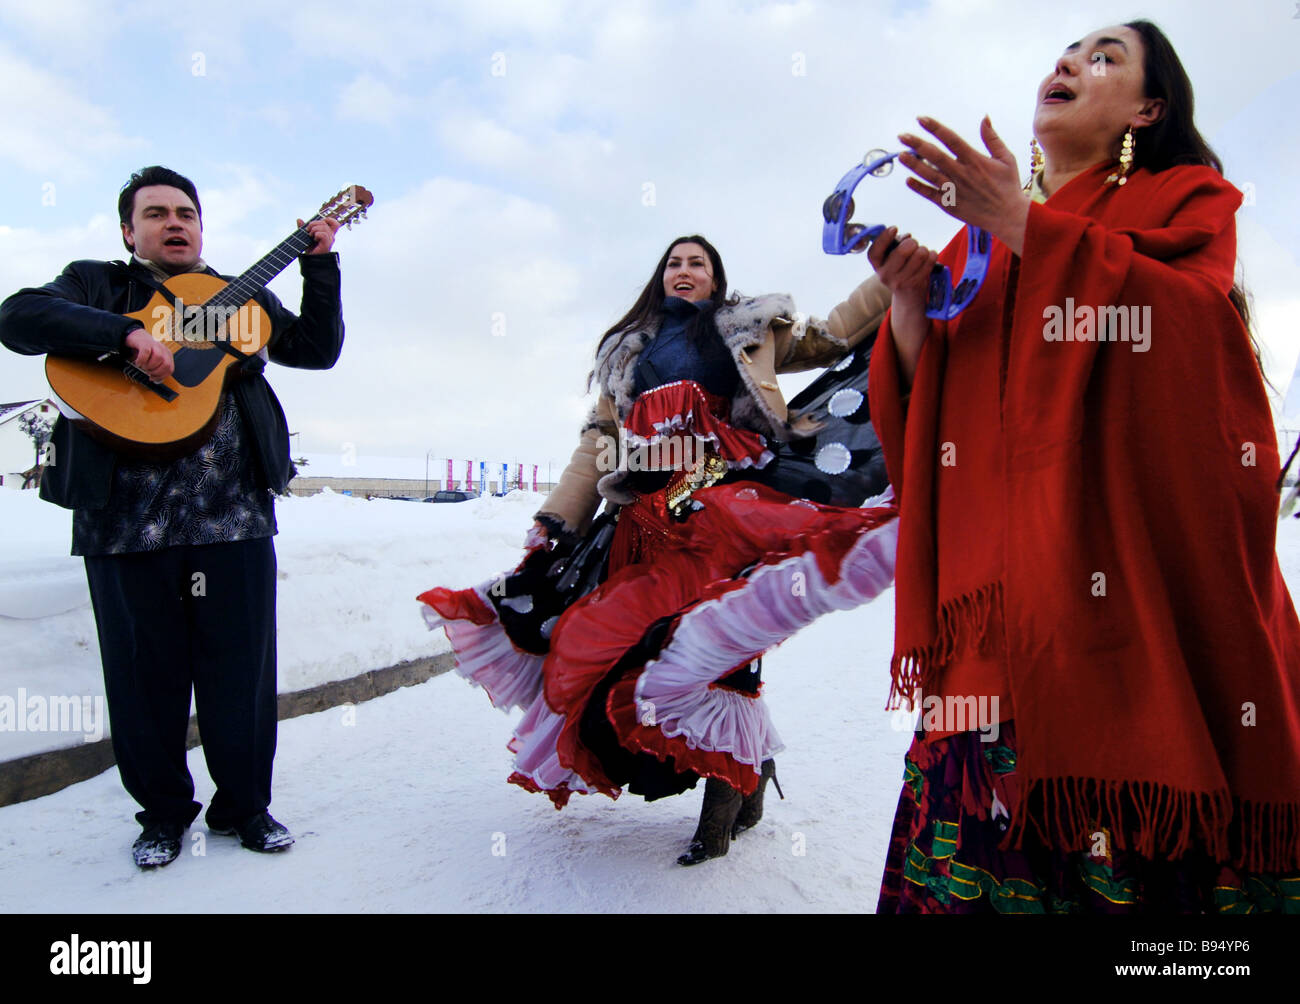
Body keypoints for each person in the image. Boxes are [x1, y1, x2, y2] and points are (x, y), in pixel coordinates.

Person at [865, 21, 1300, 912]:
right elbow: (925, 429)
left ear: (1148, 109)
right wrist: (911, 307)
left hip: (1117, 609)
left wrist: (1025, 223)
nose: (1068, 63)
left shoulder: (1188, 198)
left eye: (1104, 57)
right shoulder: (972, 249)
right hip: (986, 635)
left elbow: (1189, 333)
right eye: (1066, 50)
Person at [420, 236, 898, 864]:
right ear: (660, 276)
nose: (684, 271)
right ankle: (745, 769)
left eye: (697, 263)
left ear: (716, 278)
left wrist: (892, 279)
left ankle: (726, 800)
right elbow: (597, 447)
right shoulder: (627, 354)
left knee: (724, 653)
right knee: (641, 656)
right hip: (641, 522)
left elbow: (835, 336)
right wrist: (555, 523)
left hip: (724, 511)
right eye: (674, 262)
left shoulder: (748, 329)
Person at [0, 166, 345, 868]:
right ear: (130, 232)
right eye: (155, 213)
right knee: (141, 680)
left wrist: (323, 266)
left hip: (235, 522)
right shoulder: (99, 284)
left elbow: (316, 350)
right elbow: (19, 317)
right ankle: (161, 816)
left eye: (186, 212)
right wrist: (123, 337)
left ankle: (245, 808)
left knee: (240, 678)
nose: (174, 222)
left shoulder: (235, 299)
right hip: (125, 528)